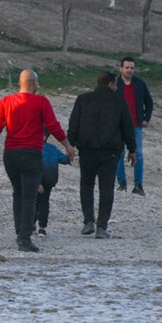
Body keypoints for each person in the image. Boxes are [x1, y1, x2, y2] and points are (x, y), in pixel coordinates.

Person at [0, 69, 74, 253]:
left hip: (10, 154)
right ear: (34, 83)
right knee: (29, 196)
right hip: (31, 153)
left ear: (20, 83)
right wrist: (67, 146)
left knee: (18, 194)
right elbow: (53, 126)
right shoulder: (41, 101)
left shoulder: (5, 101)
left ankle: (20, 232)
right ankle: (24, 239)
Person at [67, 72, 137, 239]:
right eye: (116, 85)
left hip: (86, 149)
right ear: (110, 84)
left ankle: (88, 222)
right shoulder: (119, 103)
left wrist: (70, 145)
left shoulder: (82, 99)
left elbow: (73, 124)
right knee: (106, 188)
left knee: (86, 184)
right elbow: (127, 128)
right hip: (110, 151)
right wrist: (132, 150)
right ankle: (102, 226)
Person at [114, 56, 154, 195]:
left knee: (138, 154)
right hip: (118, 126)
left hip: (136, 125)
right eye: (127, 68)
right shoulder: (115, 84)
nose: (129, 70)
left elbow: (149, 102)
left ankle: (138, 185)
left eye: (131, 68)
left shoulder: (139, 84)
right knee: (118, 153)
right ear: (121, 69)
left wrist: (146, 118)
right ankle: (122, 183)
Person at [35, 133, 70, 237]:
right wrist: (69, 153)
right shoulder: (53, 148)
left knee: (33, 201)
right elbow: (64, 160)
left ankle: (32, 223)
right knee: (44, 201)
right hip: (50, 178)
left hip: (37, 177)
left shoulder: (34, 148)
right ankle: (42, 227)